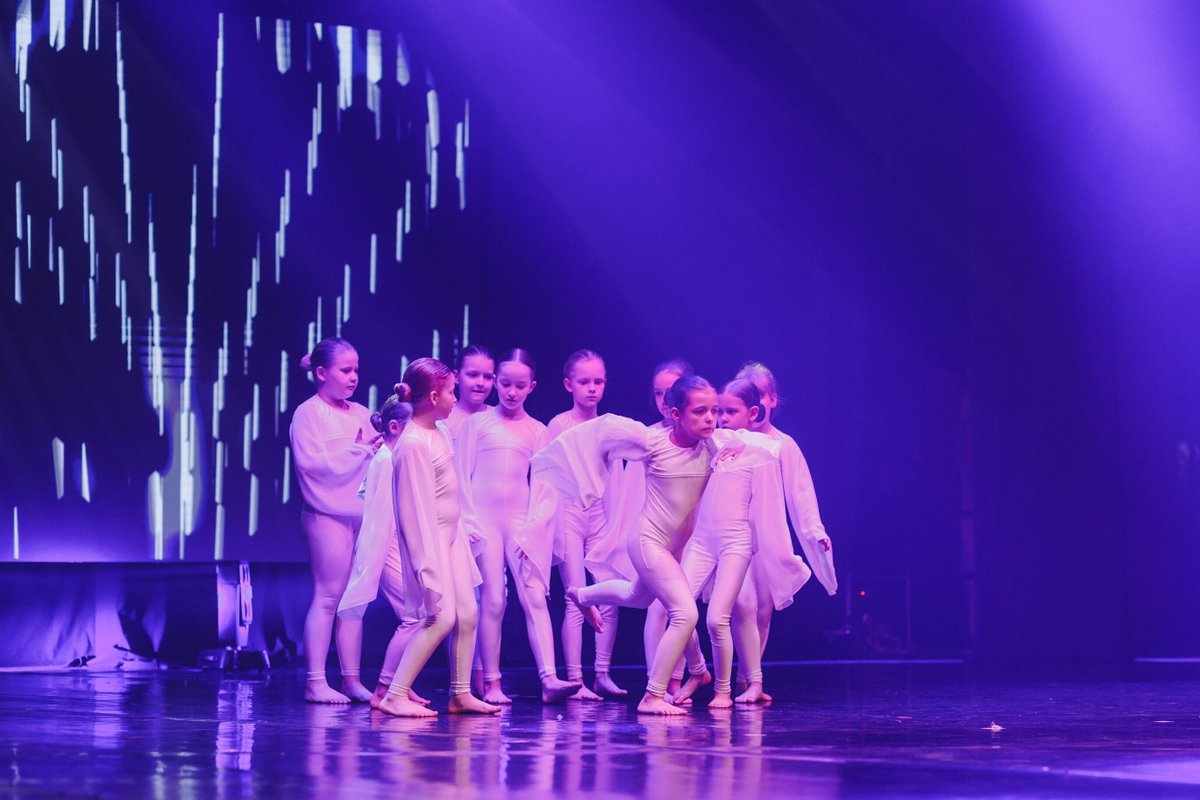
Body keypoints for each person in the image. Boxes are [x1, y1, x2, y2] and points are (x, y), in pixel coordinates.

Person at [533, 375, 779, 715]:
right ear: (676, 414)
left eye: (713, 411)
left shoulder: (715, 444)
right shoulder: (652, 442)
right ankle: (653, 695)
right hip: (647, 541)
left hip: (674, 548)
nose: (710, 418)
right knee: (685, 613)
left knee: (637, 595)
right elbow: (597, 433)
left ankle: (582, 595)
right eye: (700, 412)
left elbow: (765, 446)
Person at [673, 378, 811, 707]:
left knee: (735, 611)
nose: (721, 418)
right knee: (677, 606)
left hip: (738, 543)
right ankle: (698, 670)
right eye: (718, 411)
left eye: (730, 412)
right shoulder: (711, 442)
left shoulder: (759, 449)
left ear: (752, 413)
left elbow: (769, 504)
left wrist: (769, 546)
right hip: (704, 541)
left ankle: (746, 684)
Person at [378, 359, 500, 717]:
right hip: (430, 543)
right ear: (433, 397)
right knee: (441, 618)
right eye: (450, 392)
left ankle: (460, 693)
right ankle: (394, 694)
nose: (455, 398)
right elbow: (412, 512)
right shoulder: (413, 444)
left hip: (451, 537)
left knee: (468, 612)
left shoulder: (440, 432)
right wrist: (424, 564)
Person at [459, 349, 580, 703]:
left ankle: (549, 678)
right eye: (505, 384)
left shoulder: (537, 431)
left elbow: (545, 487)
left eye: (520, 386)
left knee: (534, 597)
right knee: (494, 599)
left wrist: (534, 528)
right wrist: (468, 520)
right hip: (483, 522)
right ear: (496, 382)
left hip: (520, 524)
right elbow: (460, 477)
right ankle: (492, 683)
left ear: (532, 387)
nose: (512, 392)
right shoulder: (476, 425)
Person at [731, 361, 837, 699]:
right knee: (739, 606)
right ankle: (720, 675)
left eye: (762, 395)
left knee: (762, 608)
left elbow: (801, 492)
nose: (757, 402)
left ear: (772, 399)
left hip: (768, 536)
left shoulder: (783, 445)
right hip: (731, 532)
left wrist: (815, 530)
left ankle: (747, 678)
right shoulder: (730, 439)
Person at [289, 337, 382, 704]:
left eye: (356, 370)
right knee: (329, 595)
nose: (353, 377)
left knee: (353, 600)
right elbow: (311, 464)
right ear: (322, 372)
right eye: (345, 370)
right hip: (325, 513)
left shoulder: (360, 412)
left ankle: (351, 679)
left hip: (359, 513)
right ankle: (315, 681)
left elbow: (378, 452)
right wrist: (358, 451)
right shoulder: (309, 413)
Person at [335, 393, 429, 708]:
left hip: (392, 544)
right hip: (387, 546)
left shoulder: (389, 458)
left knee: (420, 616)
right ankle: (387, 688)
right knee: (416, 617)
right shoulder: (388, 460)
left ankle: (400, 684)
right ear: (394, 427)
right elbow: (384, 514)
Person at [546, 350, 626, 700]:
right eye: (584, 382)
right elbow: (548, 477)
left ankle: (602, 673)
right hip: (569, 516)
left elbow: (616, 477)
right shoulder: (558, 426)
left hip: (600, 517)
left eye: (598, 382)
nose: (592, 388)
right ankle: (575, 679)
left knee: (609, 596)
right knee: (577, 598)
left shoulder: (608, 426)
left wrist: (617, 524)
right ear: (569, 384)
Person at [445, 345, 496, 444]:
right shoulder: (442, 419)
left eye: (487, 377)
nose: (480, 383)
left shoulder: (501, 419)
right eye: (473, 375)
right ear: (456, 377)